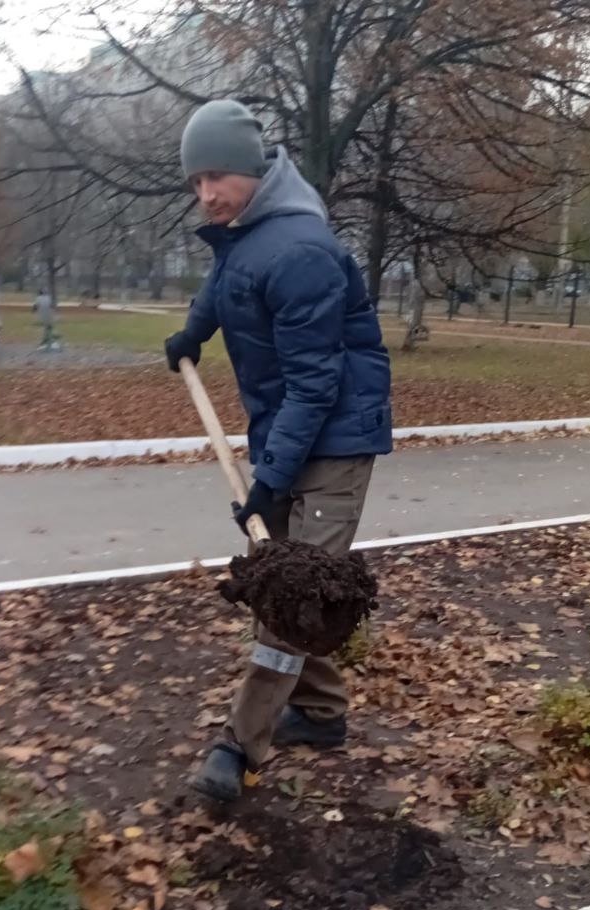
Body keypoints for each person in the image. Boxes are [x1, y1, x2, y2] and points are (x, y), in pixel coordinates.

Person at [164, 99, 393, 802]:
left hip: (332, 442)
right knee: (290, 587)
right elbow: (226, 283)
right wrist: (193, 332)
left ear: (251, 170)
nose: (206, 194)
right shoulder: (247, 234)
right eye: (196, 180)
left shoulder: (298, 250)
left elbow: (315, 384)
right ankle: (320, 715)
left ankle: (238, 747)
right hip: (292, 435)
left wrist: (270, 478)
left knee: (292, 595)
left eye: (217, 177)